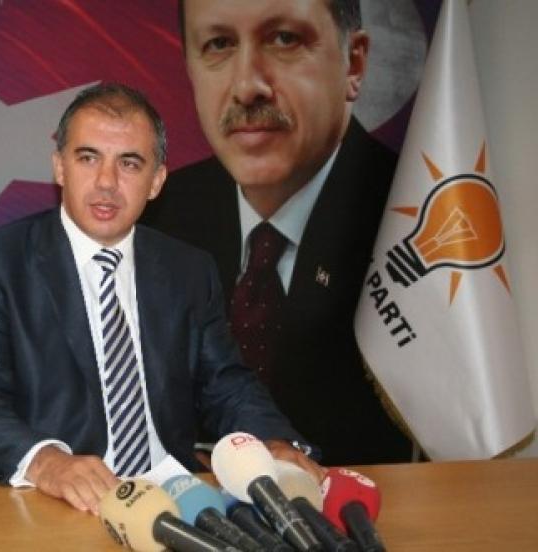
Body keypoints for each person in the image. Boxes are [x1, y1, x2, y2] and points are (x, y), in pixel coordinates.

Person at [0, 83, 320, 514]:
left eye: (129, 163)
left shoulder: (189, 269)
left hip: (175, 498)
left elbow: (225, 382)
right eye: (88, 158)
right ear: (60, 167)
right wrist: (47, 463)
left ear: (156, 181)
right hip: (54, 504)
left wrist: (273, 440)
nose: (106, 182)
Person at [140, 0, 413, 465]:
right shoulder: (157, 219)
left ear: (354, 63)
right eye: (219, 44)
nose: (247, 87)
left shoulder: (417, 225)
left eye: (285, 39)